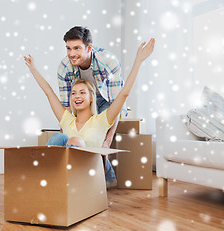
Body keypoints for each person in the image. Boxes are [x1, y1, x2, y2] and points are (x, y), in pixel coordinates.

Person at [24, 38, 155, 184]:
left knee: (75, 140)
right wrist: (33, 69)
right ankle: (48, 179)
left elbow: (123, 94)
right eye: (73, 93)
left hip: (92, 174)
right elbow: (49, 92)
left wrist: (139, 60)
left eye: (82, 92)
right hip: (69, 173)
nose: (77, 96)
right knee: (58, 138)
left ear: (91, 97)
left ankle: (67, 182)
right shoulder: (67, 119)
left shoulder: (101, 120)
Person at [54, 26, 128, 186]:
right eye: (68, 48)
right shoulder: (64, 68)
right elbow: (66, 105)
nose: (71, 54)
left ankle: (106, 178)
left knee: (97, 133)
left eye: (77, 48)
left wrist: (107, 141)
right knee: (78, 136)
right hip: (82, 96)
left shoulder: (108, 61)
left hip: (106, 97)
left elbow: (117, 103)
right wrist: (65, 132)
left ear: (89, 48)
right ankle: (75, 176)